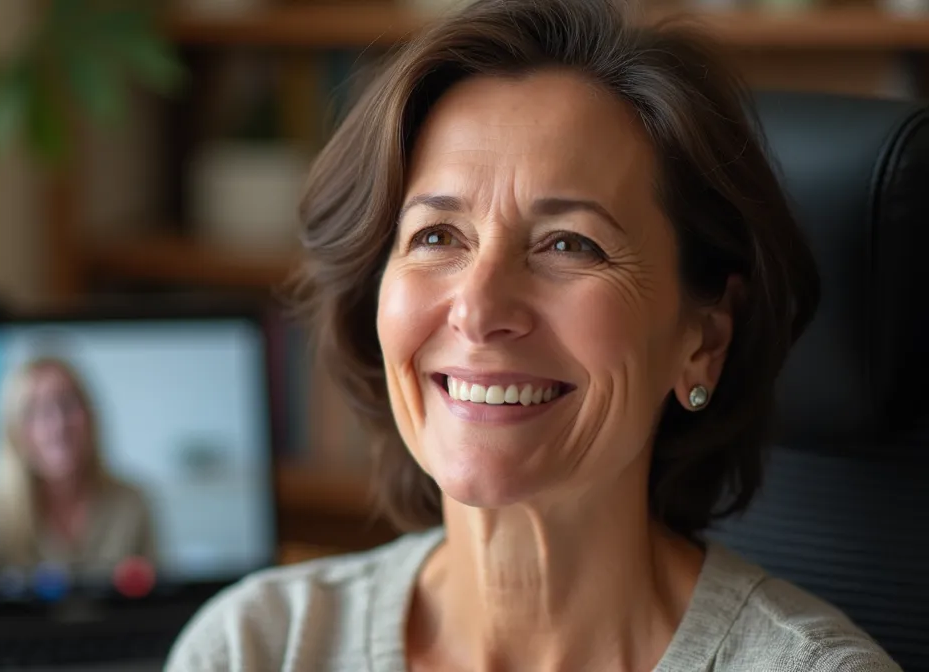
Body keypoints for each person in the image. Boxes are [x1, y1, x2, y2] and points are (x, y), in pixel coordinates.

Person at [165, 0, 902, 670]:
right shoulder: (254, 646)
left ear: (702, 336)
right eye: (437, 235)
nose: (479, 309)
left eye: (569, 245)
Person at [0, 357, 157, 585]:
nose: (57, 424)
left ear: (90, 416)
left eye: (68, 404)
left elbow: (156, 602)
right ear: (13, 430)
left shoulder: (132, 503)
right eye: (35, 411)